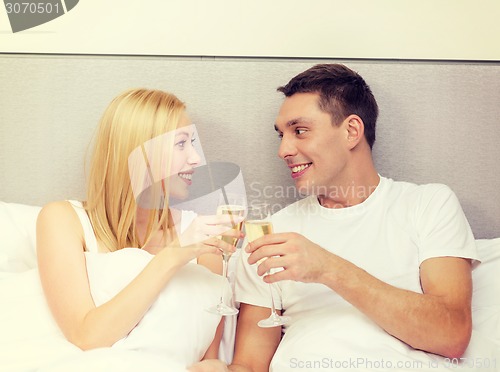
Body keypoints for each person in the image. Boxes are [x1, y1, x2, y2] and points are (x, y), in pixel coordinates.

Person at [230, 64, 479, 372]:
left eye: (300, 131)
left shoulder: (427, 205)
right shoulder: (273, 233)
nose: (283, 150)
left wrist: (328, 268)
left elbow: (451, 333)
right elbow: (250, 364)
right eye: (282, 135)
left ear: (351, 131)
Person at [36, 88, 242, 371]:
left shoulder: (202, 238)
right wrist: (173, 256)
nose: (196, 158)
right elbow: (87, 336)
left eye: (192, 143)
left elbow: (206, 354)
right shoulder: (63, 219)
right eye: (181, 144)